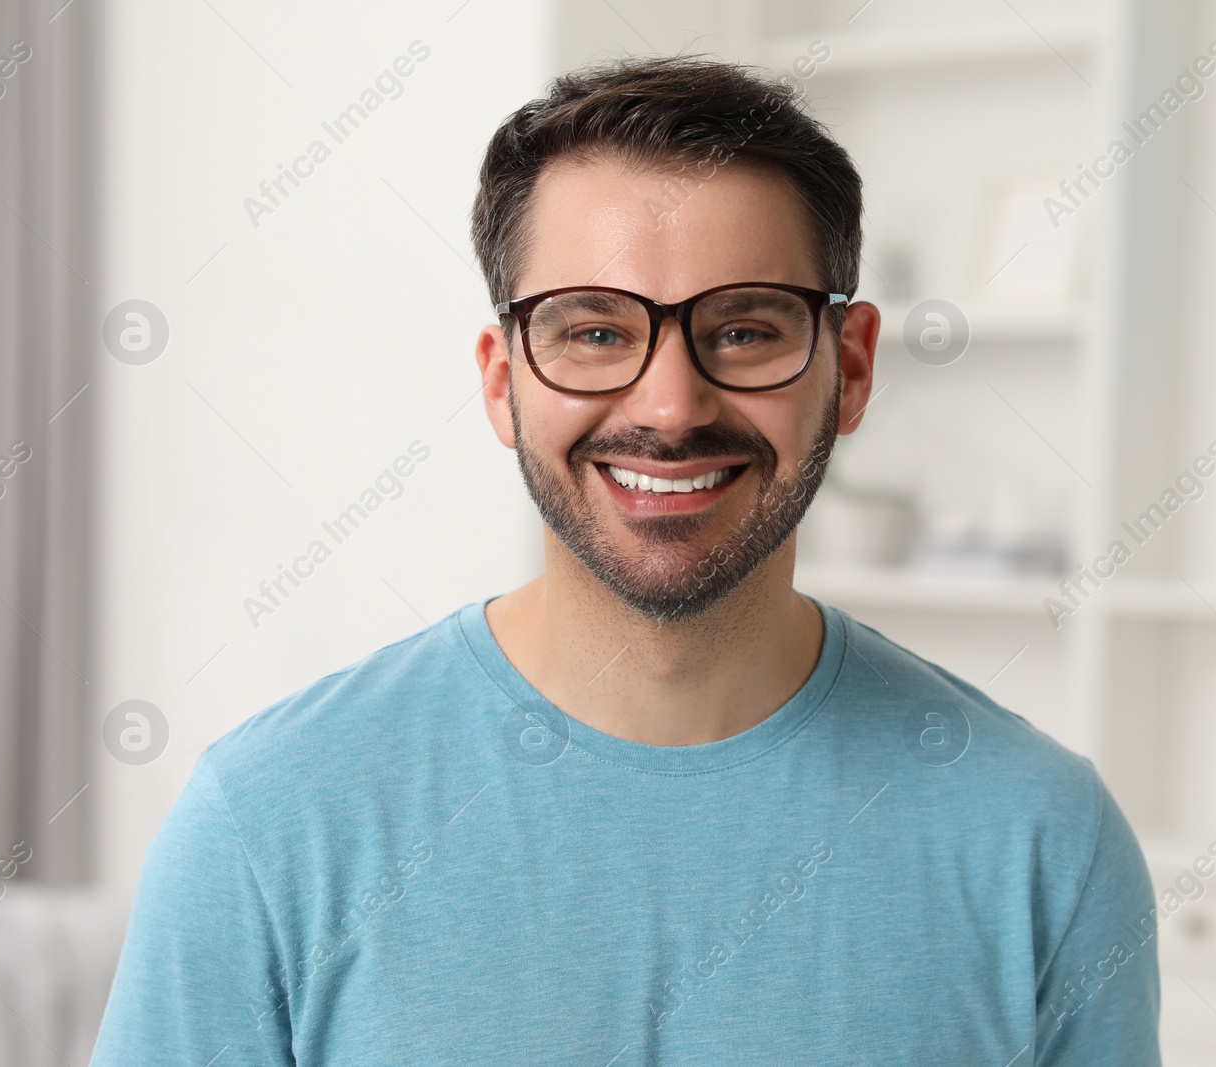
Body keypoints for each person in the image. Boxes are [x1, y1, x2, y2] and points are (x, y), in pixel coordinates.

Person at [90, 56, 1160, 1065]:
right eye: (593, 331)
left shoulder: (1044, 842)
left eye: (744, 329)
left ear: (853, 364)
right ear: (502, 380)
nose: (668, 406)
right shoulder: (267, 821)